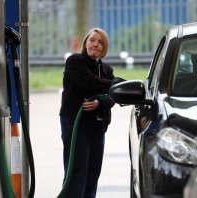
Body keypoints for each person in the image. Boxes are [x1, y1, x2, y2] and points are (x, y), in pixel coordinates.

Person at [59, 27, 123, 197]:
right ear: (86, 43)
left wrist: (99, 101)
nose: (96, 44)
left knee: (93, 173)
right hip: (75, 124)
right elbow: (91, 82)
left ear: (105, 48)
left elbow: (112, 98)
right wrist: (115, 84)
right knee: (76, 173)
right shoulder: (75, 62)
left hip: (98, 127)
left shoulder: (107, 70)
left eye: (100, 42)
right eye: (92, 40)